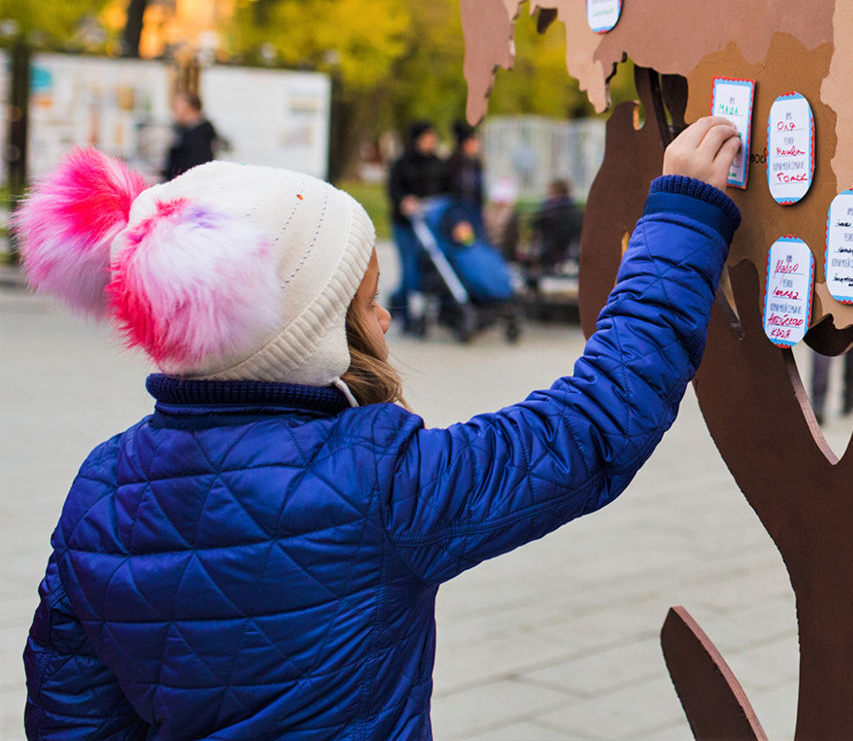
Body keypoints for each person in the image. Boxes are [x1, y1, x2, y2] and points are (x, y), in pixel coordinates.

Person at [17, 115, 742, 739]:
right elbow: (593, 425)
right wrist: (682, 218)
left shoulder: (100, 488)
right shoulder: (377, 480)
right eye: (365, 303)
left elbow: (69, 715)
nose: (385, 316)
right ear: (302, 334)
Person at [386, 121, 446, 328]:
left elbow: (444, 191)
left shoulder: (438, 163)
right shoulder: (402, 163)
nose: (431, 142)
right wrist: (405, 201)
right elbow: (394, 190)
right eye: (427, 138)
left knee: (424, 267)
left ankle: (398, 302)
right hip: (406, 224)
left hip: (429, 224)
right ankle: (405, 312)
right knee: (409, 267)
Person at [162, 91, 218, 180]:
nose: (174, 111)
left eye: (177, 106)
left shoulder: (200, 136)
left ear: (190, 108)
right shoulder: (183, 130)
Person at [444, 120, 486, 220]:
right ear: (465, 144)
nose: (477, 145)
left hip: (476, 208)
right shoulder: (453, 163)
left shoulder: (478, 163)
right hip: (459, 210)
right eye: (474, 142)